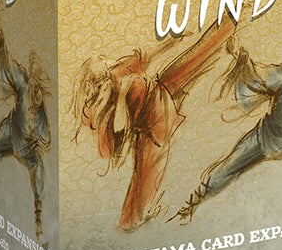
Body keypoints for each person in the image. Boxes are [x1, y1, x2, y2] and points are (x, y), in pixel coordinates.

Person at [73, 14, 236, 231]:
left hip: (160, 89)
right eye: (105, 65)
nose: (110, 62)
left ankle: (230, 21)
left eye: (106, 62)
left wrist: (172, 41)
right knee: (146, 177)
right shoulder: (98, 107)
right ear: (99, 84)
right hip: (153, 124)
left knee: (197, 54)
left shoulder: (115, 73)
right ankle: (130, 224)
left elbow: (145, 57)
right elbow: (116, 133)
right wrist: (120, 100)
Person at [173, 32, 282, 223]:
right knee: (227, 166)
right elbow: (259, 74)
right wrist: (240, 55)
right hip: (265, 137)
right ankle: (190, 206)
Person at [0, 26, 51, 240]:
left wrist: (37, 142)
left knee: (39, 170)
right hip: (10, 133)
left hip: (27, 148)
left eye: (40, 87)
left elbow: (45, 138)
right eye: (36, 82)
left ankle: (38, 217)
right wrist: (1, 43)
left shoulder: (41, 111)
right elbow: (9, 65)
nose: (37, 90)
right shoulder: (24, 85)